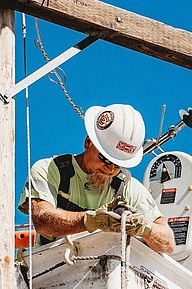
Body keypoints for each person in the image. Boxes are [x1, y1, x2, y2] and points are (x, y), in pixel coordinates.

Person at [19, 104, 175, 254]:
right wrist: (92, 221)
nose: (111, 170)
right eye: (105, 159)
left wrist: (144, 227)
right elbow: (42, 219)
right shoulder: (50, 170)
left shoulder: (126, 187)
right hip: (51, 271)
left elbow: (168, 243)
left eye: (118, 165)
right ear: (88, 142)